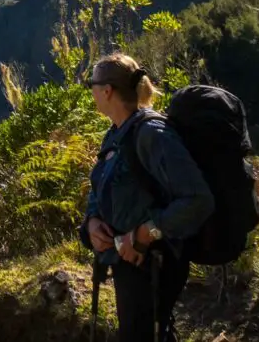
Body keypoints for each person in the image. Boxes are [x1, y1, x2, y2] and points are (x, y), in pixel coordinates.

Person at [79, 53, 214, 342]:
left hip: (155, 262)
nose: (90, 90)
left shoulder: (152, 134)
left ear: (107, 91)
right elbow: (102, 185)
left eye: (92, 84)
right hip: (131, 263)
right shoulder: (116, 132)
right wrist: (92, 222)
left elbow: (197, 199)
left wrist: (144, 233)